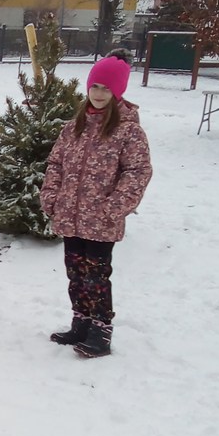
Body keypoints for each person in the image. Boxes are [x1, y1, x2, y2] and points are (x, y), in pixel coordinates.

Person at [39, 51, 153, 358]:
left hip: (102, 220)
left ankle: (100, 331)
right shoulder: (73, 126)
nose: (99, 94)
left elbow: (137, 172)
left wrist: (113, 207)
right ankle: (80, 323)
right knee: (76, 273)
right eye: (95, 87)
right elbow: (56, 164)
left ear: (117, 91)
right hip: (70, 215)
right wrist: (51, 196)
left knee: (96, 277)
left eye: (106, 88)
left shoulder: (128, 130)